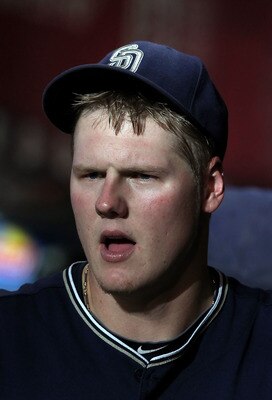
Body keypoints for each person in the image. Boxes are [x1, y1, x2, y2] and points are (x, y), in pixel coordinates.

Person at [0, 41, 271, 399]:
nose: (107, 202)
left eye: (142, 175)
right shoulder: (10, 340)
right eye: (92, 174)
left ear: (210, 187)